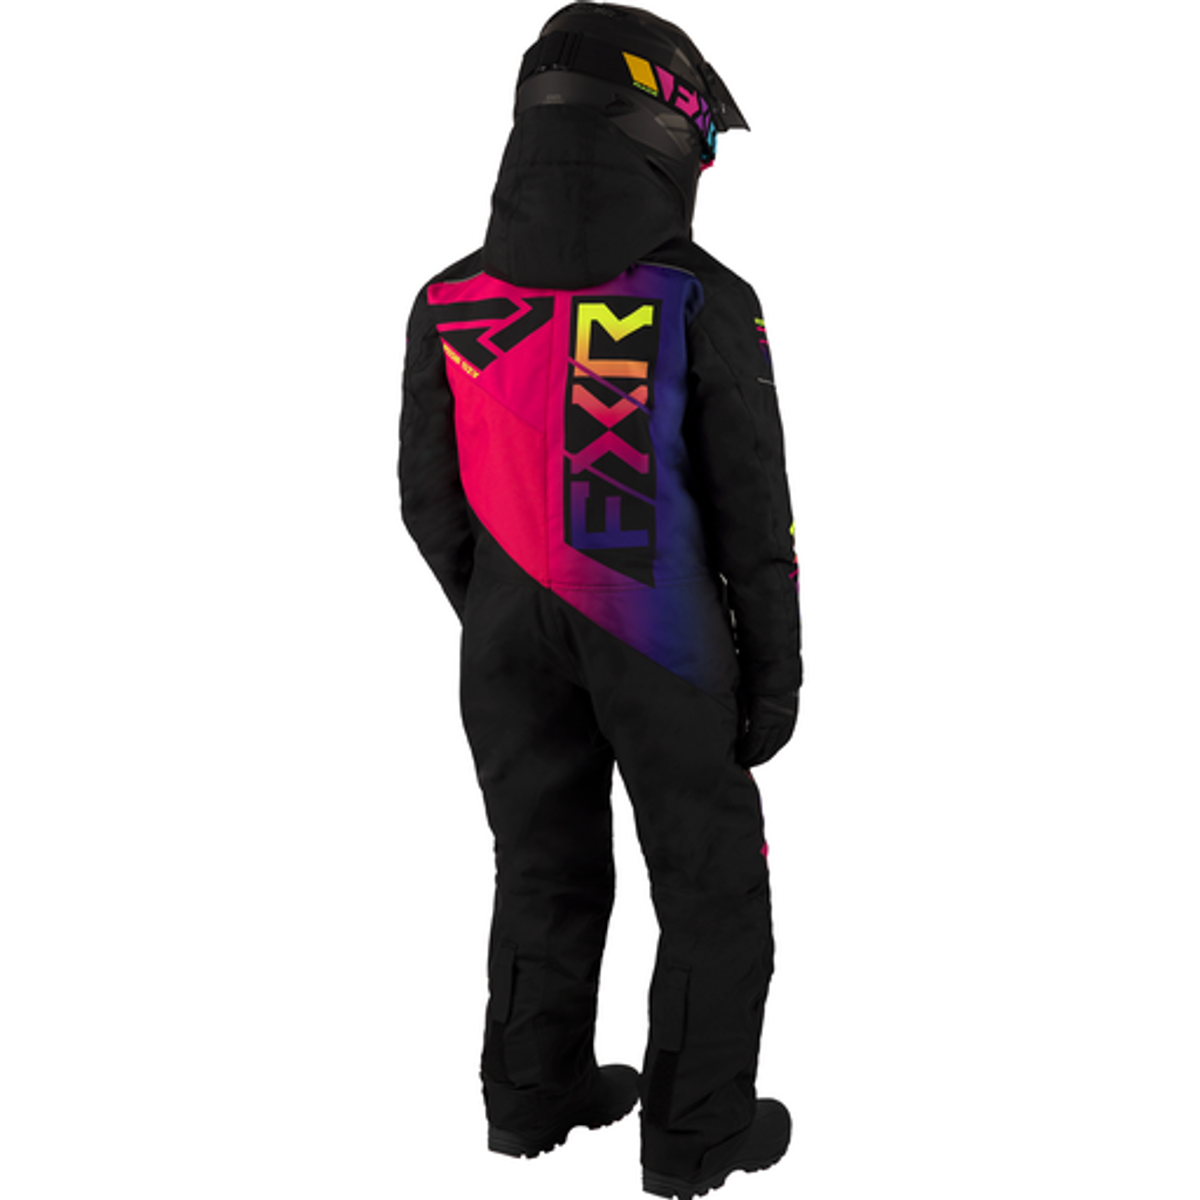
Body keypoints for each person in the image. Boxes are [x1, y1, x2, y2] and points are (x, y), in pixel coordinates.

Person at [398, 4, 802, 1196]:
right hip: (662, 639)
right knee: (710, 880)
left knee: (541, 864)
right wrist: (774, 676)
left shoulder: (448, 301)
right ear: (661, 131)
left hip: (504, 638)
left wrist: (501, 606)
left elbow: (427, 499)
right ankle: (696, 1137)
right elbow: (754, 516)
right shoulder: (700, 297)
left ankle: (531, 1096)